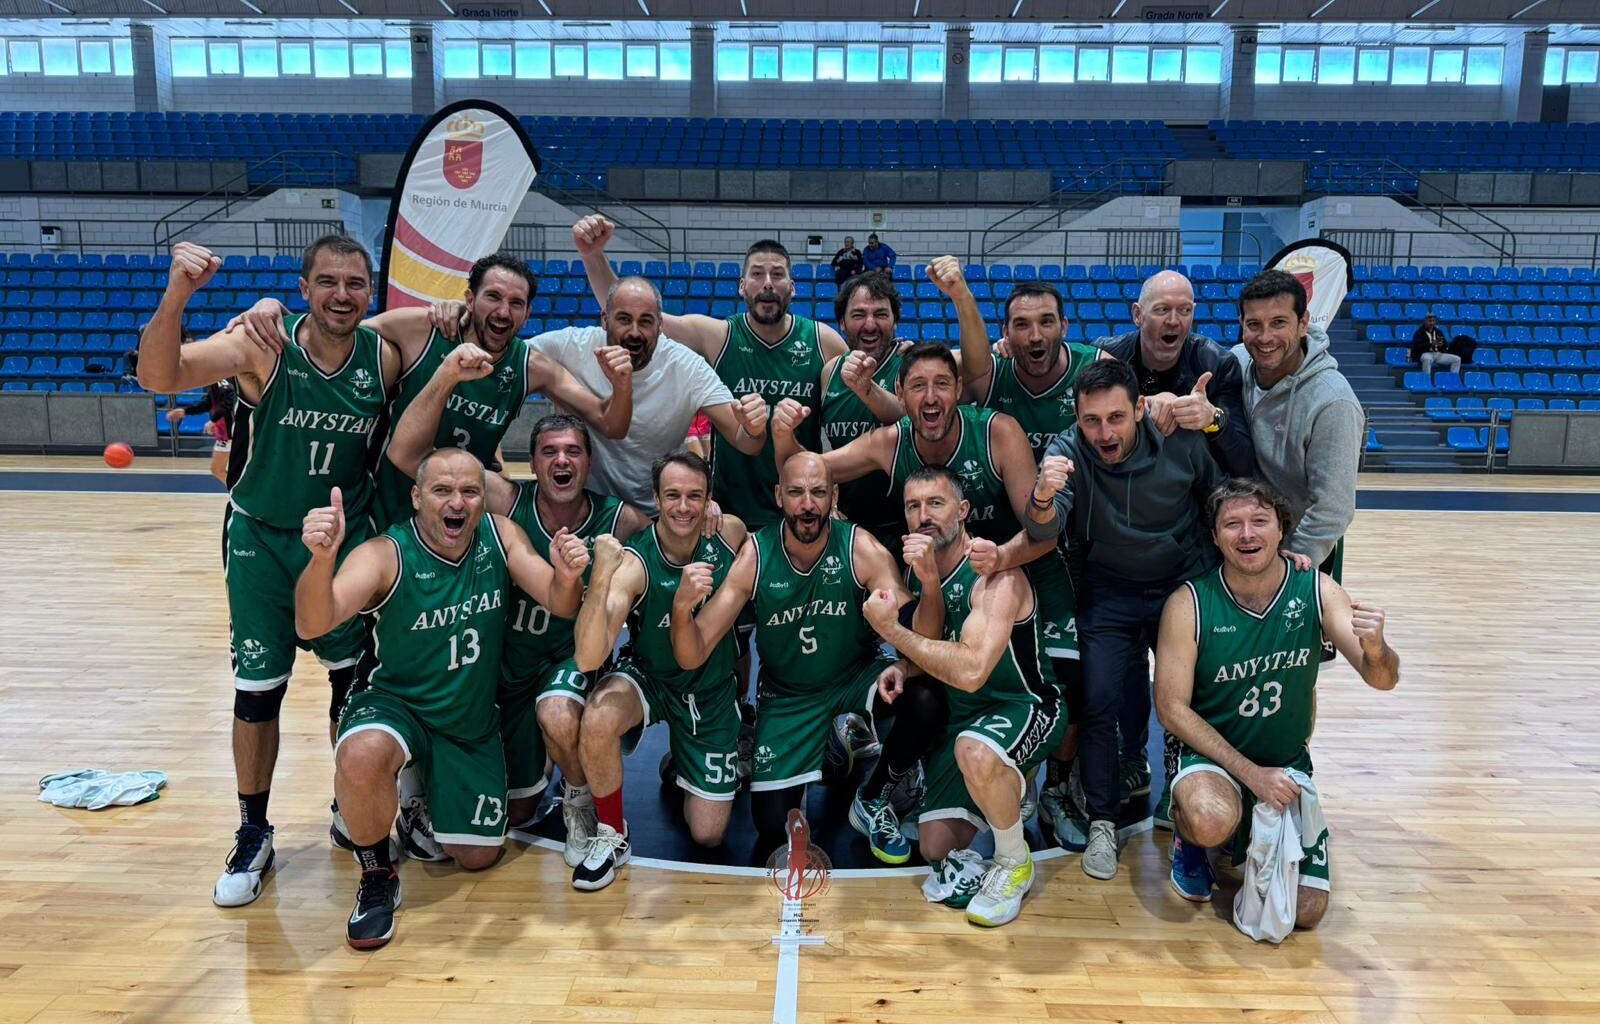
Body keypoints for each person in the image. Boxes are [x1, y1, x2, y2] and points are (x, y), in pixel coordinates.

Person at [137, 236, 396, 908]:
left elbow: (434, 325)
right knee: (258, 691)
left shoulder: (382, 354)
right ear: (305, 287)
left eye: (356, 283)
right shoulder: (264, 346)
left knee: (353, 681)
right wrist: (177, 295)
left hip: (339, 538)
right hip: (260, 537)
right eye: (329, 281)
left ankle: (352, 805)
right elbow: (159, 376)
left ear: (371, 293)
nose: (343, 294)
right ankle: (253, 827)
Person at [294, 447, 590, 949]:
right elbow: (311, 622)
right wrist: (321, 562)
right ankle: (376, 877)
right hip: (397, 704)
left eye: (470, 491)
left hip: (468, 721)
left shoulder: (501, 535)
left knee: (476, 856)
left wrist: (566, 575)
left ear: (483, 498)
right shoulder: (385, 553)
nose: (458, 501)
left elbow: (560, 603)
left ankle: (416, 801)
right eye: (442, 490)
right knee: (363, 754)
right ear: (416, 497)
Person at [386, 355, 652, 864]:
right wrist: (445, 375)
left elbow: (670, 537)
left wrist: (706, 514)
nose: (562, 461)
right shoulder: (504, 499)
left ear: (588, 463)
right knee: (521, 808)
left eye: (574, 451)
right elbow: (409, 455)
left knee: (555, 710)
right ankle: (418, 789)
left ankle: (577, 802)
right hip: (502, 664)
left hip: (567, 659)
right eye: (550, 451)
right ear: (533, 462)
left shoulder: (619, 519)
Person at [232, 251, 636, 532]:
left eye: (516, 303)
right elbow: (334, 332)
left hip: (459, 514)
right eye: (493, 297)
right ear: (469, 299)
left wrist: (622, 385)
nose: (502, 311)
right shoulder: (420, 329)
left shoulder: (531, 366)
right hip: (389, 506)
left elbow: (610, 423)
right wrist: (273, 307)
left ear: (528, 313)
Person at [668, 452, 945, 861]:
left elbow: (923, 637)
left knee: (924, 696)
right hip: (788, 698)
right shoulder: (754, 556)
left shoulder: (860, 547)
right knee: (771, 824)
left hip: (855, 678)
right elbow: (693, 653)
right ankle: (838, 752)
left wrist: (927, 592)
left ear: (833, 496)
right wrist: (680, 608)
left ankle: (876, 794)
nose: (808, 504)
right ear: (779, 496)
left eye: (818, 492)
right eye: (797, 492)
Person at [1155, 478, 1399, 927]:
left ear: (1281, 530)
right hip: (1212, 759)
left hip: (1286, 763)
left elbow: (1381, 679)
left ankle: (1248, 833)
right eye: (1232, 524)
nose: (1247, 534)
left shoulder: (1317, 589)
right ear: (1215, 536)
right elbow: (1171, 709)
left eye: (1259, 521)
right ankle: (1193, 838)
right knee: (1210, 818)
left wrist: (1379, 648)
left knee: (1306, 914)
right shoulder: (1188, 603)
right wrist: (1250, 775)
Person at [1024, 358, 1227, 882]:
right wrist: (1044, 494)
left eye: (1116, 417)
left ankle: (1187, 809)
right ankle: (1102, 822)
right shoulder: (1067, 450)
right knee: (1096, 701)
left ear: (1140, 408)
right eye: (1092, 420)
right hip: (1109, 588)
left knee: (1192, 699)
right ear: (1077, 418)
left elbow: (1219, 502)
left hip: (1180, 583)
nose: (1104, 432)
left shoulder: (1179, 439)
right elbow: (1043, 525)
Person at [932, 257, 1106, 842]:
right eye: (1022, 325)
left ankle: (1061, 782)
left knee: (1082, 676)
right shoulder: (995, 375)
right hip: (1017, 544)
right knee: (1026, 669)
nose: (1035, 335)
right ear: (1006, 334)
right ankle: (1020, 772)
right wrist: (959, 294)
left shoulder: (1093, 372)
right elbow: (972, 364)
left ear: (1064, 325)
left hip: (1085, 548)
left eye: (1046, 322)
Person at [863, 466, 1066, 927]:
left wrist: (890, 629)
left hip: (1025, 705)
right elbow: (934, 645)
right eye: (913, 507)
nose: (923, 516)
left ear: (964, 511)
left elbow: (972, 670)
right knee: (935, 846)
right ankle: (1010, 781)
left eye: (935, 503)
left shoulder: (994, 573)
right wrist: (903, 662)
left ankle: (1014, 862)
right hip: (967, 718)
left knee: (975, 752)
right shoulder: (924, 571)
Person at [773, 343, 1057, 646]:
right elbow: (804, 470)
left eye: (943, 384)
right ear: (899, 391)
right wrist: (781, 434)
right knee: (926, 682)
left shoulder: (999, 433)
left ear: (960, 388)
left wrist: (1000, 558)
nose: (931, 397)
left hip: (1014, 575)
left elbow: (1043, 533)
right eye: (918, 386)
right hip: (938, 584)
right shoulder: (888, 443)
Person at [574, 216, 847, 528]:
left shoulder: (824, 341)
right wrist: (592, 255)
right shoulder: (718, 335)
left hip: (801, 508)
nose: (768, 282)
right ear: (742, 286)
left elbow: (850, 414)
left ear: (792, 288)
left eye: (777, 274)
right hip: (728, 512)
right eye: (757, 274)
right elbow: (639, 313)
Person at [566, 452, 749, 890]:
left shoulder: (731, 534)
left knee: (707, 835)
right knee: (598, 716)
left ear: (709, 501)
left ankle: (683, 765)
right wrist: (599, 581)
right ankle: (612, 833)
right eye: (672, 496)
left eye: (694, 497)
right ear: (655, 498)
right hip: (651, 677)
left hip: (710, 690)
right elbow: (589, 659)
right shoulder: (633, 564)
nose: (683, 507)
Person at [528, 270, 772, 513]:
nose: (634, 332)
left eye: (645, 321)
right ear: (605, 319)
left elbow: (746, 441)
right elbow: (509, 362)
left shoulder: (686, 366)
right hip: (584, 508)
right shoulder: (570, 346)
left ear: (660, 325)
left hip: (658, 513)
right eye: (624, 319)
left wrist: (754, 428)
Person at [1232, 269, 1363, 588]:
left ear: (1303, 322)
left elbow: (1332, 509)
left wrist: (1285, 573)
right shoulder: (1234, 364)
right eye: (1254, 325)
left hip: (1295, 553)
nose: (1265, 338)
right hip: (1236, 543)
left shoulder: (1333, 401)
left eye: (1279, 322)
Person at [820, 270, 911, 548]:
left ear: (895, 321)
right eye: (859, 315)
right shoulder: (830, 372)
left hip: (904, 529)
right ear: (842, 324)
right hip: (846, 529)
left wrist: (866, 388)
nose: (870, 325)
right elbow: (822, 446)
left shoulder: (910, 364)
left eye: (881, 314)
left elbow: (906, 416)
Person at [1409, 313, 1459, 378]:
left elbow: (1445, 344)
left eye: (1433, 321)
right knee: (1427, 359)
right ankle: (1426, 380)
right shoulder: (1419, 333)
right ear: (1425, 321)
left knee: (1457, 359)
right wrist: (1431, 344)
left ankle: (1453, 380)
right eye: (1429, 321)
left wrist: (1442, 345)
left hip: (1437, 354)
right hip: (1425, 353)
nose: (1431, 323)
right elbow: (1416, 346)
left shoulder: (1438, 332)